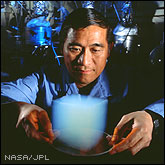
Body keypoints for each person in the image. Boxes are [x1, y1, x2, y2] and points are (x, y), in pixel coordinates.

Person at [1, 8, 164, 163]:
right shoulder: (43, 79)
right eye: (75, 48)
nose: (84, 61)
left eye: (95, 50)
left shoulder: (128, 80)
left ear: (109, 50)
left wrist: (151, 117)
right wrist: (20, 107)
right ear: (61, 48)